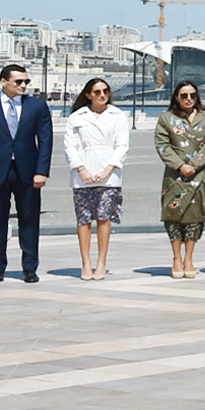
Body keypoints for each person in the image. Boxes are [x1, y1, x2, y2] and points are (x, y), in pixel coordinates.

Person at [0, 63, 52, 284]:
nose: (23, 85)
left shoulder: (37, 107)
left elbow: (45, 141)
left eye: (26, 81)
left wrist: (41, 171)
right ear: (4, 82)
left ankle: (30, 268)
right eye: (18, 82)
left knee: (29, 221)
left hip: (28, 172)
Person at [65, 77, 129, 281]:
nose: (102, 95)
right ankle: (86, 262)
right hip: (82, 174)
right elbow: (70, 146)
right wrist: (81, 169)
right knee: (83, 220)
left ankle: (102, 262)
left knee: (104, 218)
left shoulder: (118, 115)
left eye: (106, 91)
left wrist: (108, 169)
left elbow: (122, 145)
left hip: (109, 175)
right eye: (98, 92)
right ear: (88, 95)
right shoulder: (77, 117)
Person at [156, 80, 205, 279]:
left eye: (192, 95)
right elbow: (162, 145)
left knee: (195, 216)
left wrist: (194, 164)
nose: (189, 99)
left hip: (198, 174)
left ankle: (189, 257)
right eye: (184, 96)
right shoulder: (166, 119)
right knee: (173, 215)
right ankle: (176, 257)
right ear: (176, 97)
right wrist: (180, 165)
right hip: (175, 175)